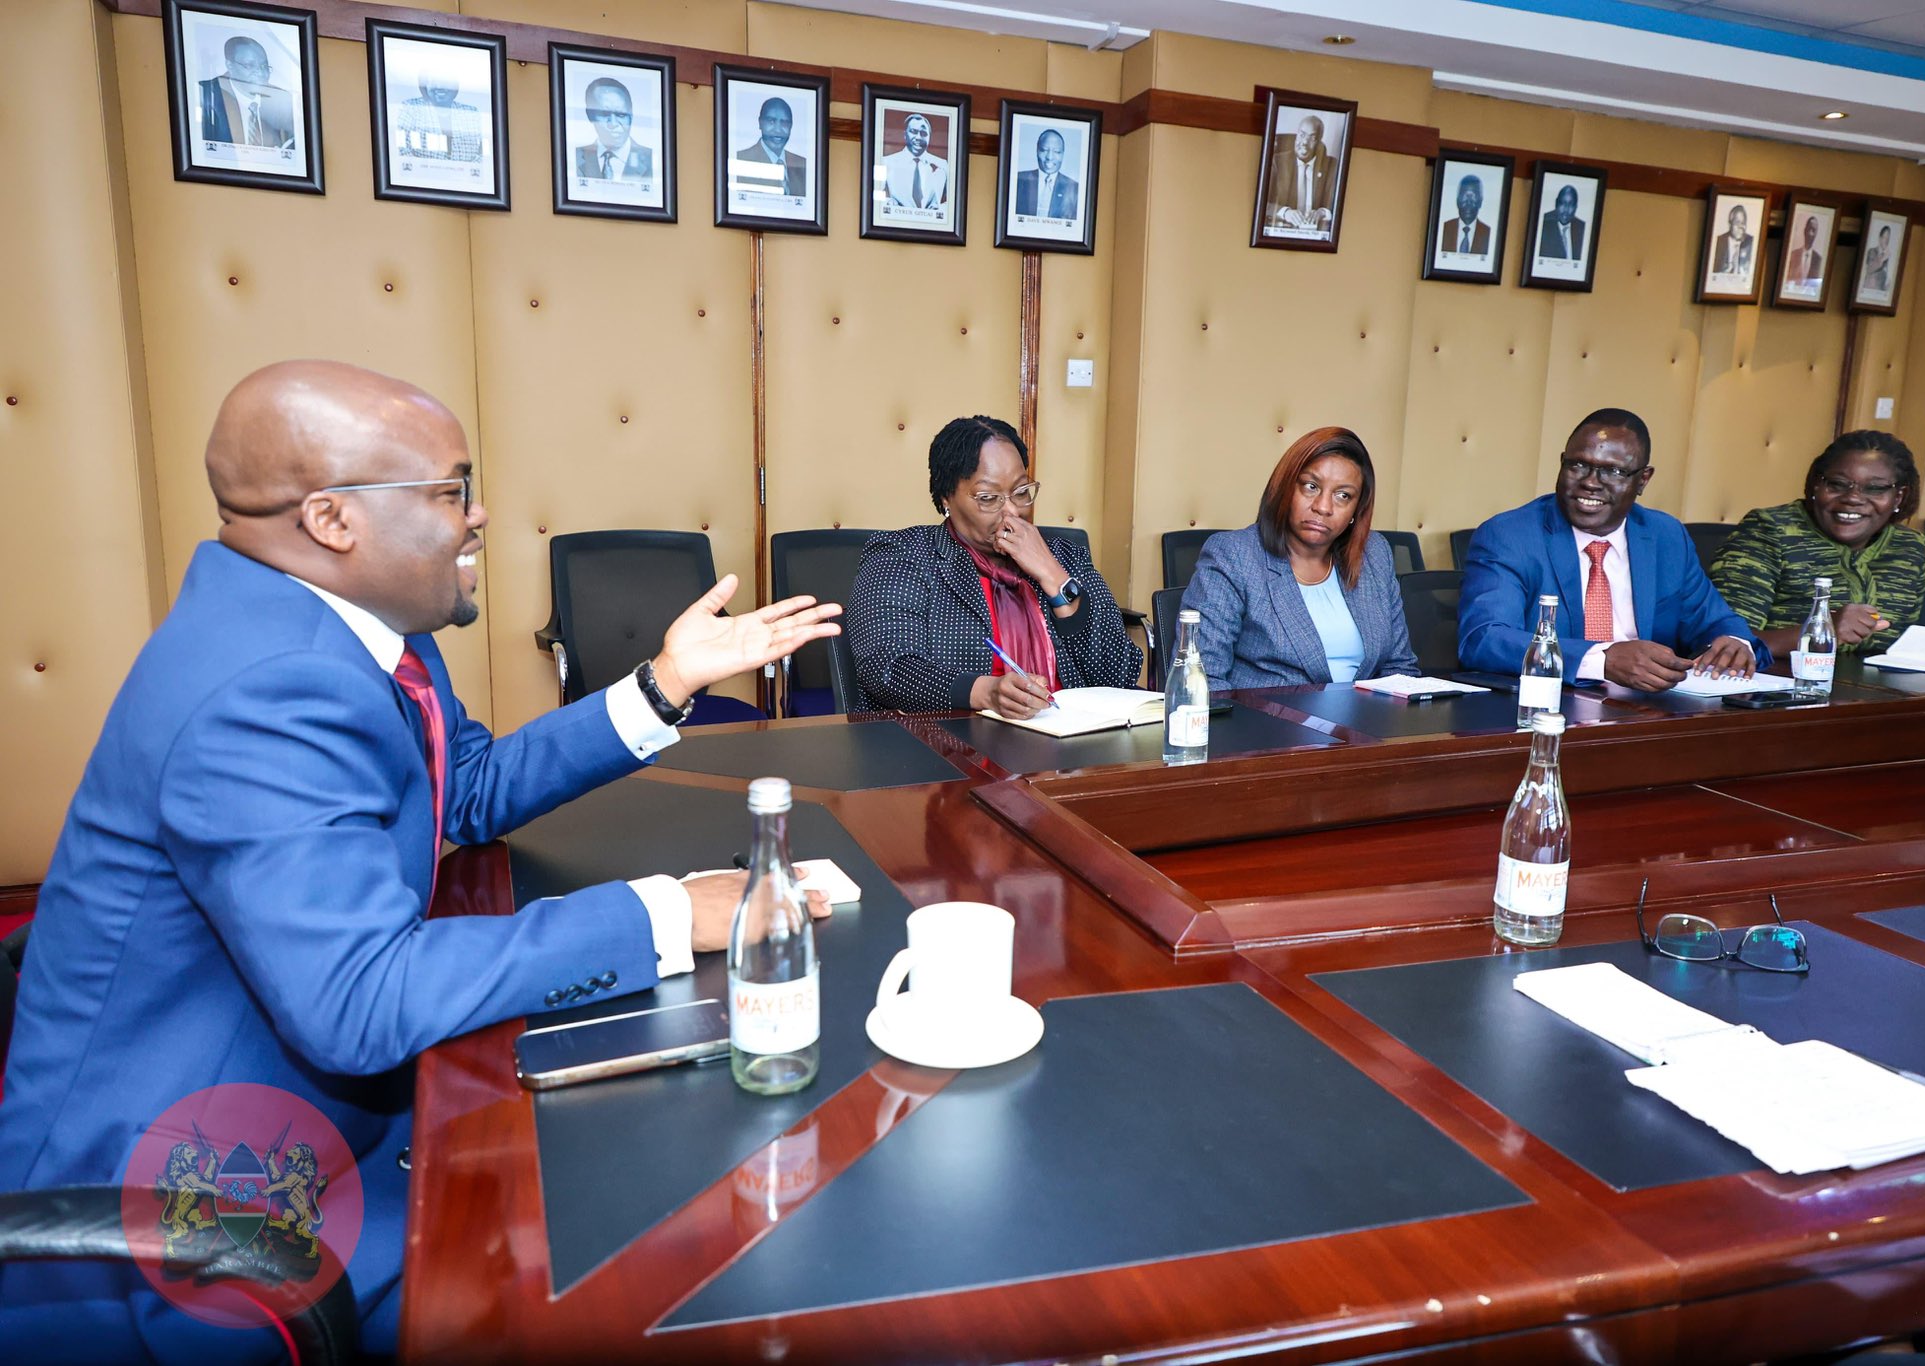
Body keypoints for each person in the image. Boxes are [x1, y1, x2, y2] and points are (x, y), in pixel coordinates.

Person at [0, 360, 840, 1361]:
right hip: (203, 1219)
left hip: (312, 1126)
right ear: (331, 520)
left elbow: (468, 786)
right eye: (448, 490)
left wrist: (660, 684)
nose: (478, 516)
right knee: (656, 1277)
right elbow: (357, 1000)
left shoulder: (357, 624)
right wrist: (665, 915)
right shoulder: (260, 690)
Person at [1458, 407, 1766, 691]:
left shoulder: (1665, 536)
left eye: (1613, 472)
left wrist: (1733, 642)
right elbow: (1485, 638)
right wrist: (1602, 660)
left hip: (1652, 712)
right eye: (1578, 465)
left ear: (1643, 479)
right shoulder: (1512, 536)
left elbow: (1714, 620)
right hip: (1553, 705)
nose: (1591, 482)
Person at [849, 415, 1139, 716]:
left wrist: (1053, 577)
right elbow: (887, 669)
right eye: (988, 498)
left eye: (1022, 492)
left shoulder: (1065, 557)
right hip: (945, 746)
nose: (1012, 510)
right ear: (946, 497)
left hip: (1068, 744)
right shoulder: (903, 556)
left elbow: (1118, 675)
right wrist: (985, 693)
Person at [1182, 428, 1418, 688]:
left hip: (1362, 725)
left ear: (1356, 509)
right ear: (1284, 488)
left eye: (1343, 496)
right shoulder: (1234, 555)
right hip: (1267, 724)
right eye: (1311, 486)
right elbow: (1202, 681)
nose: (1323, 507)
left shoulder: (1374, 554)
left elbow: (1400, 669)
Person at [1709, 430, 1925, 659]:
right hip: (1780, 686)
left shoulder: (1909, 547)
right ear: (1816, 485)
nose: (1853, 498)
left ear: (1899, 497)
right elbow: (1726, 641)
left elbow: (1911, 645)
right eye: (1837, 484)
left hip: (1882, 691)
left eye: (1874, 488)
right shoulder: (1769, 531)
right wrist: (1823, 630)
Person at [197, 36, 292, 149]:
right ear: (230, 65)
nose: (260, 73)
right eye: (250, 66)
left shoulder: (282, 101)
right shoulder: (207, 95)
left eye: (264, 66)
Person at [1263, 114, 1336, 235]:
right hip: (1282, 231)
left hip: (1314, 235)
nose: (1304, 143)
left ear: (1319, 143)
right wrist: (1285, 212)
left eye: (1312, 138)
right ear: (1296, 136)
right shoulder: (1277, 162)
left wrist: (1322, 212)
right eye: (1302, 135)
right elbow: (1263, 203)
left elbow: (1337, 205)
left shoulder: (1331, 167)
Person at [394, 68, 484, 163]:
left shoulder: (471, 113)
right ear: (425, 85)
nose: (439, 86)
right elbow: (403, 150)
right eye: (433, 81)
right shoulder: (410, 108)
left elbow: (480, 155)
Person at [575, 77, 652, 180]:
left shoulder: (653, 160)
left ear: (631, 115)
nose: (613, 123)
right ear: (590, 115)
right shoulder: (574, 157)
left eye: (621, 115)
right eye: (605, 114)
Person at [734, 96, 807, 197]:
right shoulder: (740, 160)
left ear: (791, 126)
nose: (778, 129)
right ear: (760, 123)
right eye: (771, 121)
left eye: (784, 123)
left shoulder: (803, 165)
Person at [881, 112, 948, 211]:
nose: (918, 137)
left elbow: (952, 204)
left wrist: (940, 209)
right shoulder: (886, 162)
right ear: (905, 135)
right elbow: (875, 200)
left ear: (929, 137)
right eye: (913, 131)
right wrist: (888, 204)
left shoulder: (942, 165)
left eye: (923, 133)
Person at [1014, 129, 1079, 221]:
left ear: (1063, 154)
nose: (1049, 157)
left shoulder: (1074, 188)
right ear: (1037, 151)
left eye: (1056, 151)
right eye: (1044, 150)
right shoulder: (1018, 180)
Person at [1439, 174, 1489, 256]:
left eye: (1473, 196)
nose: (1468, 202)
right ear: (1457, 201)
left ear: (1480, 202)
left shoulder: (1487, 233)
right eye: (1464, 195)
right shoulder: (1445, 229)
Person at [1536, 183, 1585, 262]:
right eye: (1562, 203)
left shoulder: (1582, 228)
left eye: (1571, 204)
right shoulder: (1542, 224)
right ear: (1556, 203)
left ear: (1576, 207)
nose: (1566, 209)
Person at [1712, 202, 1754, 277]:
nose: (1741, 226)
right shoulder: (1718, 242)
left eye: (1743, 223)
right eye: (1737, 222)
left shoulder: (1751, 242)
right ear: (1730, 224)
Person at [1784, 213, 1824, 290]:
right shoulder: (1792, 255)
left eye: (1813, 230)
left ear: (1816, 234)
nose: (1810, 233)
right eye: (1809, 229)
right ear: (1804, 230)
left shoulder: (1819, 260)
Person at [1862, 224, 1894, 296]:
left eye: (1887, 239)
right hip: (1868, 292)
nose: (1885, 241)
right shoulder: (1872, 251)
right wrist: (1882, 258)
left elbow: (1884, 280)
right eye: (1884, 237)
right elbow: (1869, 269)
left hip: (1879, 294)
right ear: (1879, 238)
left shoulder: (1887, 257)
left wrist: (1888, 288)